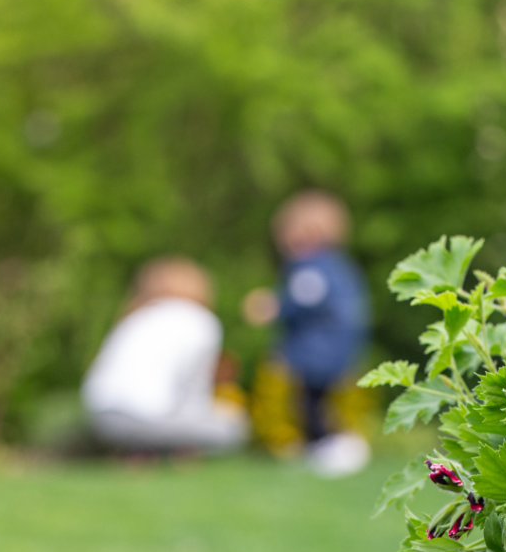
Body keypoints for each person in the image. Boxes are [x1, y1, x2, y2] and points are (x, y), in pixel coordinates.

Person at [242, 190, 371, 477]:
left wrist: (273, 307)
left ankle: (323, 447)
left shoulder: (310, 265)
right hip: (339, 348)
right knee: (318, 401)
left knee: (309, 401)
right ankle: (327, 446)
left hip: (316, 350)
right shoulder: (340, 264)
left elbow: (305, 298)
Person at [82, 257, 249, 453]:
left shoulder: (135, 316)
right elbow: (193, 391)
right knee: (233, 424)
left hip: (102, 419)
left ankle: (138, 451)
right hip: (150, 420)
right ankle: (174, 451)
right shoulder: (199, 320)